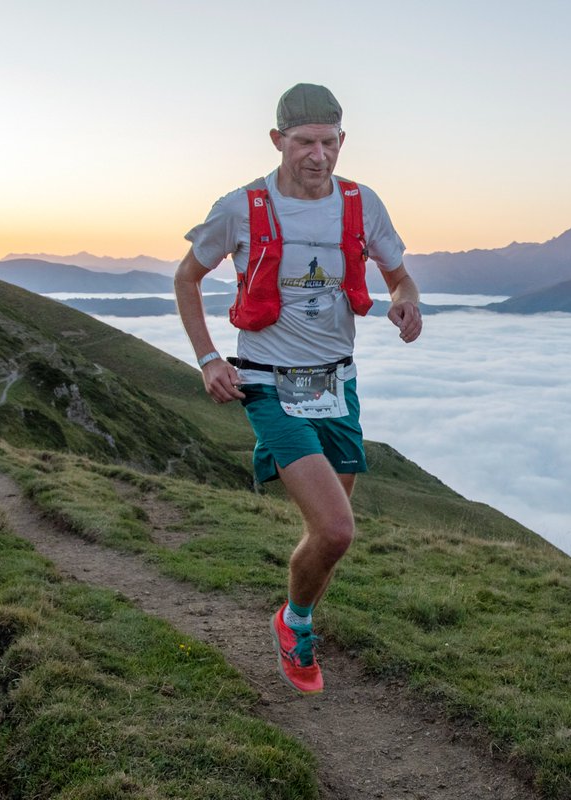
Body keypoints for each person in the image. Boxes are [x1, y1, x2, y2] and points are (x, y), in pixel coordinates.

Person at [174, 83, 422, 695]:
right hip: (267, 384)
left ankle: (292, 615)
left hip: (338, 384)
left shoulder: (363, 205)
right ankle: (297, 624)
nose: (318, 155)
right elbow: (186, 277)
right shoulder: (242, 206)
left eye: (329, 143)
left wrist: (406, 305)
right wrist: (208, 359)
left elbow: (399, 278)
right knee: (338, 529)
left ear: (343, 141)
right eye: (305, 142)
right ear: (278, 140)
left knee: (325, 534)